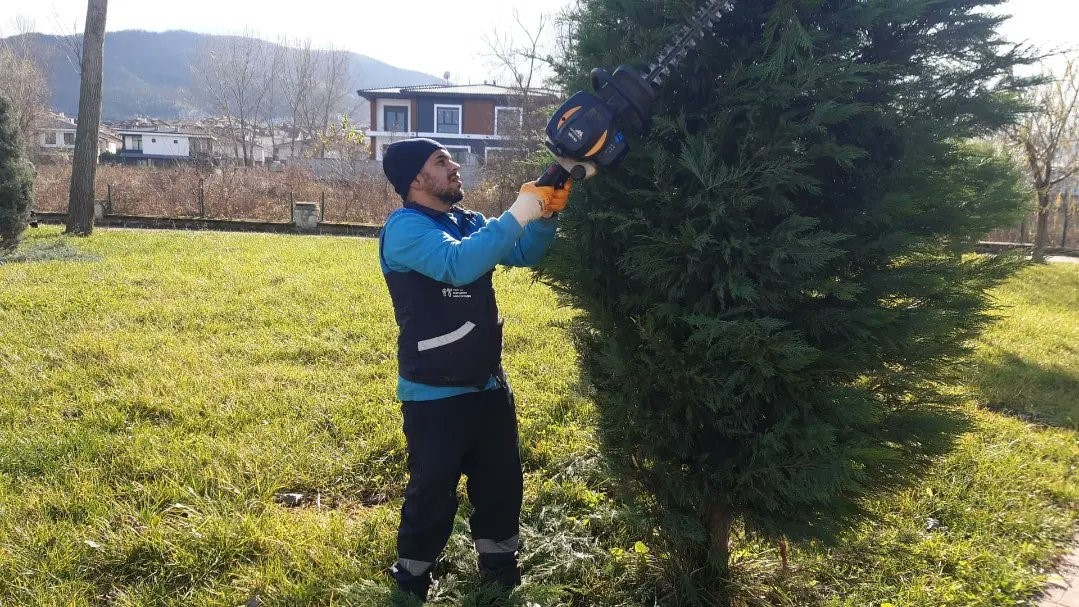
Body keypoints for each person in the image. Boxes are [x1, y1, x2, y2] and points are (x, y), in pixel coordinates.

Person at [378, 138, 586, 602]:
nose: (454, 166)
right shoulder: (405, 229)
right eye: (441, 161)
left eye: (449, 158)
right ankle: (412, 578)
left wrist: (543, 216)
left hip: (488, 383)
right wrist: (517, 211)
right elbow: (458, 264)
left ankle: (498, 565)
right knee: (432, 493)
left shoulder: (465, 221)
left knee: (501, 482)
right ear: (417, 179)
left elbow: (521, 252)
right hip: (433, 390)